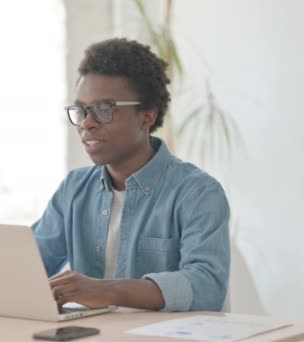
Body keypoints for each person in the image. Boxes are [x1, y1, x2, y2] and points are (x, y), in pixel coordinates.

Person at [32, 38, 230, 312]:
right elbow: (27, 266)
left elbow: (207, 287)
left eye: (103, 110)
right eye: (82, 110)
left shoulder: (197, 193)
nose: (87, 123)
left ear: (146, 116)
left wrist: (108, 291)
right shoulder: (73, 189)